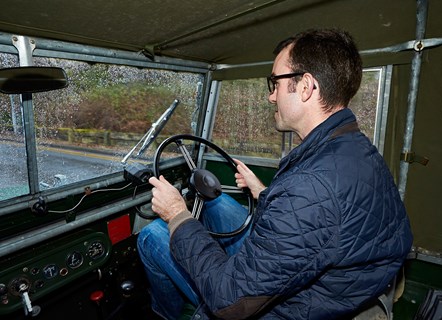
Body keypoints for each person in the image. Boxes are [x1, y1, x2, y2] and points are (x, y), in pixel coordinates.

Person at [137, 28, 413, 320]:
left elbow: (229, 301)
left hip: (282, 307)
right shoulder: (355, 149)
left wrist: (178, 214)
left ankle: (166, 315)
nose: (271, 96)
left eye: (275, 83)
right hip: (331, 285)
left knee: (153, 234)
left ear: (305, 86)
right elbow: (323, 217)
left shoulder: (311, 186)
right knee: (216, 203)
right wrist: (264, 194)